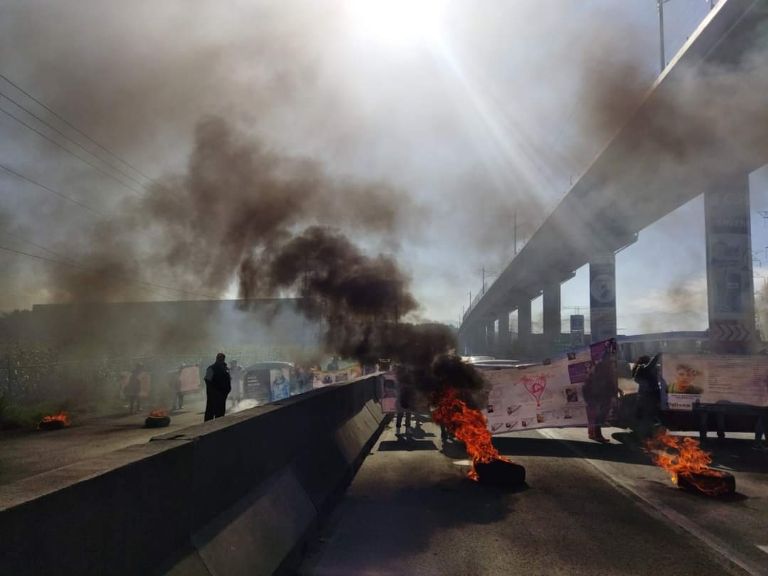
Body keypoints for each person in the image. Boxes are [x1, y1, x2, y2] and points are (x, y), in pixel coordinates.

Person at [582, 346, 618, 443]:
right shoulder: (604, 367)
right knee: (600, 415)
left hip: (594, 394)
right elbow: (606, 382)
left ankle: (592, 433)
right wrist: (613, 392)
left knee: (595, 415)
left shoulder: (598, 366)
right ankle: (597, 435)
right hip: (599, 394)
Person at [632, 354, 661, 438]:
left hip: (645, 396)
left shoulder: (640, 369)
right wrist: (657, 356)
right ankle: (647, 436)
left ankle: (646, 435)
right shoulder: (643, 368)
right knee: (648, 417)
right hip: (648, 396)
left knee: (647, 417)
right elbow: (650, 366)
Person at [204, 352, 231, 421]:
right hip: (214, 395)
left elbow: (228, 381)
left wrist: (226, 391)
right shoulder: (212, 368)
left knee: (218, 415)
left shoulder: (224, 369)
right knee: (212, 415)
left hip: (220, 395)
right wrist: (214, 392)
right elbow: (207, 381)